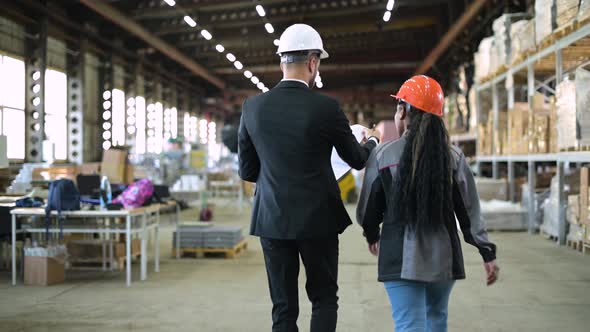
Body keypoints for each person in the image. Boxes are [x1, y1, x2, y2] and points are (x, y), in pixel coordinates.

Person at [238, 23, 380, 332]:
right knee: (324, 298)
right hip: (319, 220)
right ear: (313, 62)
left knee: (283, 308)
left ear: (281, 61)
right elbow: (356, 160)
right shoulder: (326, 108)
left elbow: (247, 171)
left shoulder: (252, 107)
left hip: (272, 219)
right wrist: (373, 141)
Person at [357, 75, 499, 332]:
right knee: (436, 321)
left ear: (403, 111)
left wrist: (372, 234)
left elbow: (368, 210)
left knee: (409, 325)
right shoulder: (453, 157)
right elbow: (469, 211)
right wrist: (486, 251)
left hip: (399, 260)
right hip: (442, 259)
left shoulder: (382, 155)